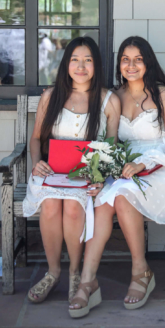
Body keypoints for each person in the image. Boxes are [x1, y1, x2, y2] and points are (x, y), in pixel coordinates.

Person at [69, 36, 165, 318]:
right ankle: (88, 280)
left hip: (164, 169)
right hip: (125, 171)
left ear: (147, 62)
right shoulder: (115, 97)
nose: (131, 65)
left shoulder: (163, 95)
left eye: (138, 59)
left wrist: (142, 164)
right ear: (119, 64)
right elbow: (109, 143)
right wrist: (99, 174)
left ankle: (141, 270)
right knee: (101, 197)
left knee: (124, 197)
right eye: (125, 59)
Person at [23, 36, 120, 304]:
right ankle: (53, 272)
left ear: (96, 65)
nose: (81, 66)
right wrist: (36, 163)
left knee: (74, 207)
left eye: (87, 60)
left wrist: (100, 177)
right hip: (52, 173)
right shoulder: (51, 96)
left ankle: (76, 273)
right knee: (51, 205)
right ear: (66, 64)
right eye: (75, 59)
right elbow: (35, 140)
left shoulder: (108, 100)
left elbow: (110, 147)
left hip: (88, 177)